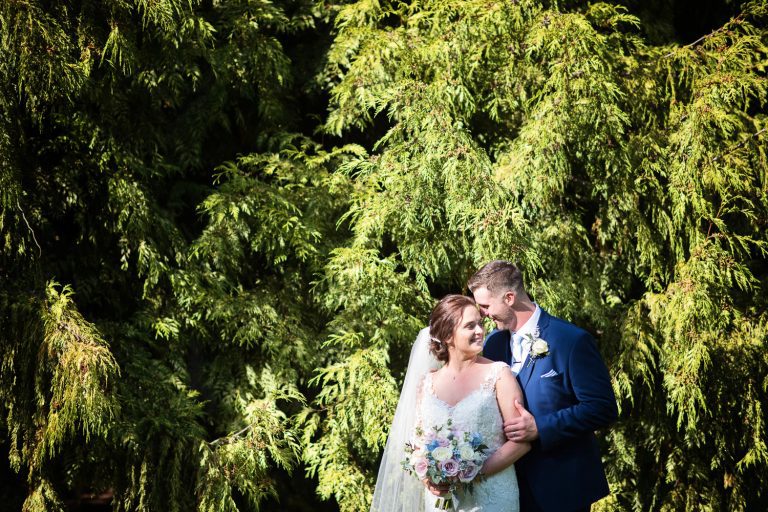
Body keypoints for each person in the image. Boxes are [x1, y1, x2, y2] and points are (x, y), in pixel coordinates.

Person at [468, 260, 618, 512]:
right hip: (506, 486)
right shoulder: (492, 345)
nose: (482, 314)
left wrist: (541, 427)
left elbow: (602, 408)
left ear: (509, 297)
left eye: (485, 306)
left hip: (561, 487)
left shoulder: (571, 341)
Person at [371, 294, 530, 512]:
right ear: (447, 335)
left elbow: (521, 442)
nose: (480, 331)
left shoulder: (499, 374)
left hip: (492, 495)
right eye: (470, 326)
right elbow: (418, 444)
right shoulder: (426, 383)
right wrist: (429, 479)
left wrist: (472, 472)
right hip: (441, 502)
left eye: (480, 324)